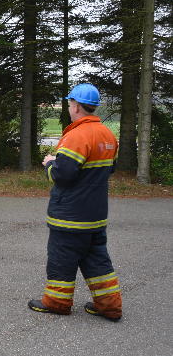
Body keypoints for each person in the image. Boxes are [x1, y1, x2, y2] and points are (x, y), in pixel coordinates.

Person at [28, 83, 122, 321]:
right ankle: (109, 306)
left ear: (77, 106)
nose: (70, 108)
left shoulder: (76, 135)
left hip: (70, 216)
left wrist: (50, 163)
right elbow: (107, 170)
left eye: (70, 104)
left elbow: (63, 176)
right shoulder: (108, 135)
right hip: (96, 215)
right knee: (97, 260)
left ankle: (57, 302)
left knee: (61, 258)